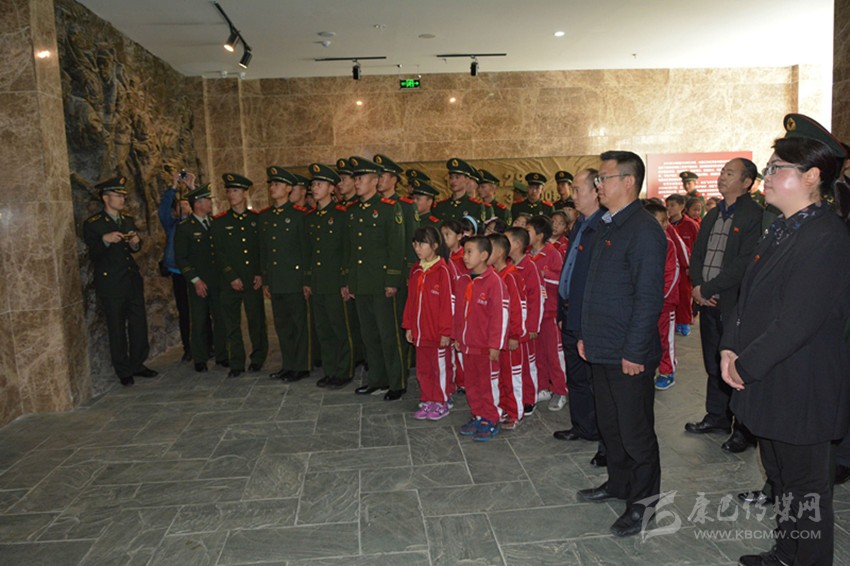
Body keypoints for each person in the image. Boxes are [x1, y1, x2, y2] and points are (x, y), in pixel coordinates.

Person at [721, 114, 850, 566]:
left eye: (777, 168)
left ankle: (806, 558)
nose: (768, 175)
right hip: (774, 379)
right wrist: (729, 345)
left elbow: (797, 321)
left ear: (811, 176)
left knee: (806, 488)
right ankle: (787, 553)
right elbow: (749, 296)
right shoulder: (782, 227)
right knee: (781, 478)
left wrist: (744, 365)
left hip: (802, 386)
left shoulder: (825, 236)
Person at [575, 151, 666, 538]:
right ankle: (618, 483)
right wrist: (587, 335)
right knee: (611, 426)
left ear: (629, 182)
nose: (598, 185)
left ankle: (644, 506)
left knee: (635, 432)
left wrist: (634, 351)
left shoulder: (644, 230)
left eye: (604, 178)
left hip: (628, 353)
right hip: (603, 345)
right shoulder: (609, 224)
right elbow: (597, 289)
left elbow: (648, 298)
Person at [684, 157, 764, 454]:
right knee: (713, 360)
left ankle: (744, 429)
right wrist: (697, 286)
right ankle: (717, 416)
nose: (722, 177)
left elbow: (744, 263)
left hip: (733, 302)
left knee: (737, 364)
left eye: (730, 173)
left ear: (746, 182)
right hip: (708, 300)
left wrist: (708, 288)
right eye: (722, 172)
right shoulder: (713, 213)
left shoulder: (754, 216)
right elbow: (697, 253)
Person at [552, 169, 607, 468]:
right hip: (570, 311)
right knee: (576, 375)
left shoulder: (603, 226)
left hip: (589, 316)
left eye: (577, 190)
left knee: (596, 379)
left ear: (595, 191)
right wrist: (562, 310)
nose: (572, 195)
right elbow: (569, 268)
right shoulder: (580, 224)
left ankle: (602, 434)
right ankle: (582, 425)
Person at [83, 176, 158, 386]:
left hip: (131, 280)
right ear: (106, 198)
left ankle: (138, 363)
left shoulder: (127, 220)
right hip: (112, 282)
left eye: (123, 195)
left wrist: (135, 243)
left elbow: (133, 249)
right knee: (116, 327)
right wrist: (105, 240)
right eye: (118, 195)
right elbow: (93, 254)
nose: (122, 199)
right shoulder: (94, 224)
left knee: (138, 324)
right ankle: (123, 370)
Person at [345, 156, 407, 401]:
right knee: (369, 336)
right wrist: (351, 282)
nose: (356, 183)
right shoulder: (353, 211)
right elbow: (352, 251)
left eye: (360, 178)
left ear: (374, 181)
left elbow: (396, 246)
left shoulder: (389, 208)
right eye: (355, 179)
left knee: (388, 334)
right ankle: (377, 380)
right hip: (362, 283)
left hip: (382, 284)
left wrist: (392, 280)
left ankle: (397, 382)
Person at [211, 173, 268, 379]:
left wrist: (260, 273)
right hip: (230, 282)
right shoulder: (219, 222)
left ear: (245, 193)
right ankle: (236, 362)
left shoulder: (256, 219)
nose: (231, 195)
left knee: (256, 322)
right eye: (228, 191)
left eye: (235, 191)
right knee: (231, 324)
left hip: (252, 279)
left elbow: (262, 249)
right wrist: (231, 277)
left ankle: (258, 358)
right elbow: (219, 253)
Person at [453, 236, 508, 441]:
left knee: (488, 385)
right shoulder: (463, 280)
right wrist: (457, 336)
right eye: (464, 252)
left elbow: (500, 316)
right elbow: (458, 312)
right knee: (472, 384)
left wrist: (495, 345)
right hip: (468, 345)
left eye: (470, 252)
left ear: (484, 255)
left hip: (486, 347)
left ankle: (491, 418)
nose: (465, 256)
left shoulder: (494, 282)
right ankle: (477, 414)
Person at [306, 163, 355, 390]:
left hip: (336, 282)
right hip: (318, 282)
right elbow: (309, 252)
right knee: (324, 330)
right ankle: (330, 370)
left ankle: (344, 371)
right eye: (313, 184)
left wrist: (346, 281)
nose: (314, 188)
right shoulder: (311, 217)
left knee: (340, 330)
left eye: (320, 184)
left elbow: (348, 250)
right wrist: (308, 281)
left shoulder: (342, 215)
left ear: (331, 188)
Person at [174, 183, 227, 373]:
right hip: (199, 282)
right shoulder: (185, 228)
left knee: (221, 318)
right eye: (207, 200)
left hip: (217, 281)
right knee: (199, 319)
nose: (211, 203)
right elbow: (181, 258)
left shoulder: (215, 223)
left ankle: (222, 355)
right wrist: (195, 280)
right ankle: (200, 357)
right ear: (197, 204)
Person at [403, 225, 455, 421]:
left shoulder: (443, 270)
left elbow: (448, 304)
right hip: (420, 332)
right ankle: (427, 399)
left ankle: (441, 401)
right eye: (415, 244)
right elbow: (410, 300)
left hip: (437, 334)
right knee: (423, 369)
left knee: (439, 368)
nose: (417, 248)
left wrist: (446, 332)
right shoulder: (416, 270)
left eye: (422, 244)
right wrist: (409, 326)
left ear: (434, 245)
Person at [527, 215, 567, 411]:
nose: (525, 234)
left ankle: (560, 390)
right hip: (534, 314)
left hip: (549, 312)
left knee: (554, 354)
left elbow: (561, 280)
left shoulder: (552, 253)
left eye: (529, 231)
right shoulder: (527, 254)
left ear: (540, 235)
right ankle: (543, 387)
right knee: (538, 353)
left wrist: (543, 275)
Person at [487, 233, 527, 429]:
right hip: (497, 339)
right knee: (500, 376)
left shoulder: (511, 275)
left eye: (490, 249)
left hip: (510, 338)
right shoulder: (493, 275)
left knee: (512, 377)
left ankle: (515, 413)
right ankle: (503, 408)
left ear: (500, 252)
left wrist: (514, 335)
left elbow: (518, 307)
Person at [506, 227, 542, 416]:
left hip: (526, 326)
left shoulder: (529, 266)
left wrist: (532, 326)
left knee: (528, 364)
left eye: (507, 241)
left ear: (518, 244)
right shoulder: (507, 265)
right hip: (513, 325)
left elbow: (536, 298)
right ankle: (513, 398)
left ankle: (529, 398)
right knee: (514, 365)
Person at [158, 171, 193, 362]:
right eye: (181, 205)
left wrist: (192, 187)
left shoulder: (198, 223)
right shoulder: (173, 225)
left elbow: (205, 207)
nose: (184, 206)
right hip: (179, 274)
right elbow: (163, 211)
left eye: (188, 203)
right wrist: (173, 186)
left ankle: (208, 344)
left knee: (203, 311)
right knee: (185, 312)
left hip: (198, 273)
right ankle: (188, 347)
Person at [645, 202, 680, 390]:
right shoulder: (642, 241)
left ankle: (668, 371)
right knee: (649, 338)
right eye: (661, 221)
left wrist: (660, 299)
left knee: (665, 339)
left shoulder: (668, 243)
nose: (666, 224)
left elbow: (671, 274)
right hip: (646, 304)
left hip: (664, 304)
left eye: (666, 220)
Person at [665, 193, 699, 336]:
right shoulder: (665, 225)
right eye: (667, 205)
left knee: (684, 295)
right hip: (670, 267)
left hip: (685, 268)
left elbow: (698, 247)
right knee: (671, 294)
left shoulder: (691, 225)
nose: (669, 208)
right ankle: (673, 322)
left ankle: (684, 322)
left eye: (672, 205)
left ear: (682, 206)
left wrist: (693, 266)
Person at [432, 158, 487, 222]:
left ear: (467, 180)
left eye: (457, 177)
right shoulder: (440, 206)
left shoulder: (475, 206)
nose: (453, 181)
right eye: (451, 177)